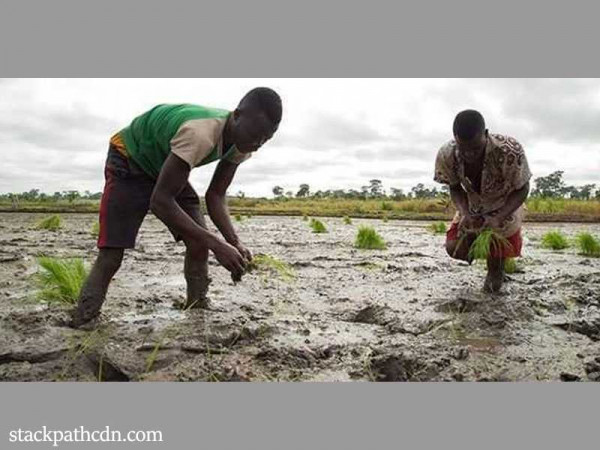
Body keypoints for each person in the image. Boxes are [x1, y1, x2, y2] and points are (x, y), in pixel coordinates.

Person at [70, 87, 282, 327]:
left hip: (164, 166)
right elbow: (160, 202)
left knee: (198, 245)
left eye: (266, 139)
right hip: (130, 158)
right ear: (237, 115)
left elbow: (215, 195)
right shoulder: (200, 133)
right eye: (254, 134)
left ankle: (196, 311)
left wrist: (234, 242)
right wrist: (217, 245)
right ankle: (83, 321)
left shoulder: (243, 146)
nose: (257, 144)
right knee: (111, 254)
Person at [434, 110, 531, 292]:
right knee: (455, 248)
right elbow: (454, 187)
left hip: (505, 204)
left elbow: (523, 188)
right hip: (473, 205)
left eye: (476, 149)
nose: (470, 155)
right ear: (455, 139)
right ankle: (483, 252)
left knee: (494, 272)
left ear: (486, 134)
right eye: (464, 150)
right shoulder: (447, 154)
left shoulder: (509, 150)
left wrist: (499, 217)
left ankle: (495, 282)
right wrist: (464, 212)